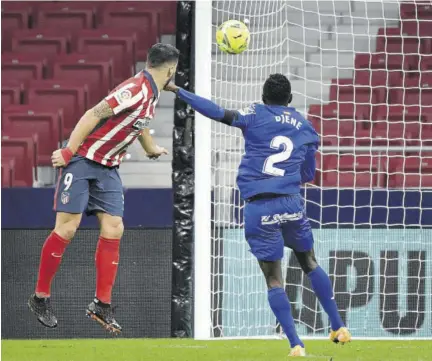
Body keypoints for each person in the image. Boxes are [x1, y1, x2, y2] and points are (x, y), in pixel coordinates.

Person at [165, 74, 351, 357]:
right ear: (290, 100)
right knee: (310, 262)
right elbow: (309, 174)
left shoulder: (254, 114)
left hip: (260, 207)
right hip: (291, 204)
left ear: (264, 98)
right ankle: (339, 327)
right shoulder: (305, 126)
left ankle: (296, 344)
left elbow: (217, 112)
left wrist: (179, 90)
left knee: (274, 279)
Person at [28, 43, 179, 334]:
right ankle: (40, 297)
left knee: (114, 227)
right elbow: (92, 114)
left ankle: (101, 304)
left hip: (108, 168)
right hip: (84, 161)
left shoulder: (151, 93)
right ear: (171, 69)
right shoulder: (135, 88)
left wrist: (150, 147)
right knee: (67, 229)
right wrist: (70, 151)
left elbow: (140, 123)